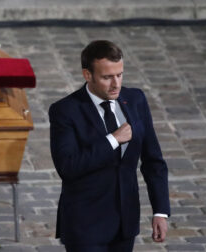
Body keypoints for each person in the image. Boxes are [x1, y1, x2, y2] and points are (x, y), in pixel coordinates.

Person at [49, 40, 170, 252]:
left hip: (125, 224)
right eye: (107, 77)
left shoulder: (136, 100)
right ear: (88, 75)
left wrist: (160, 211)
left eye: (119, 75)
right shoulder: (66, 111)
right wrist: (112, 140)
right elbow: (67, 167)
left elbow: (153, 161)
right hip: (85, 226)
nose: (116, 84)